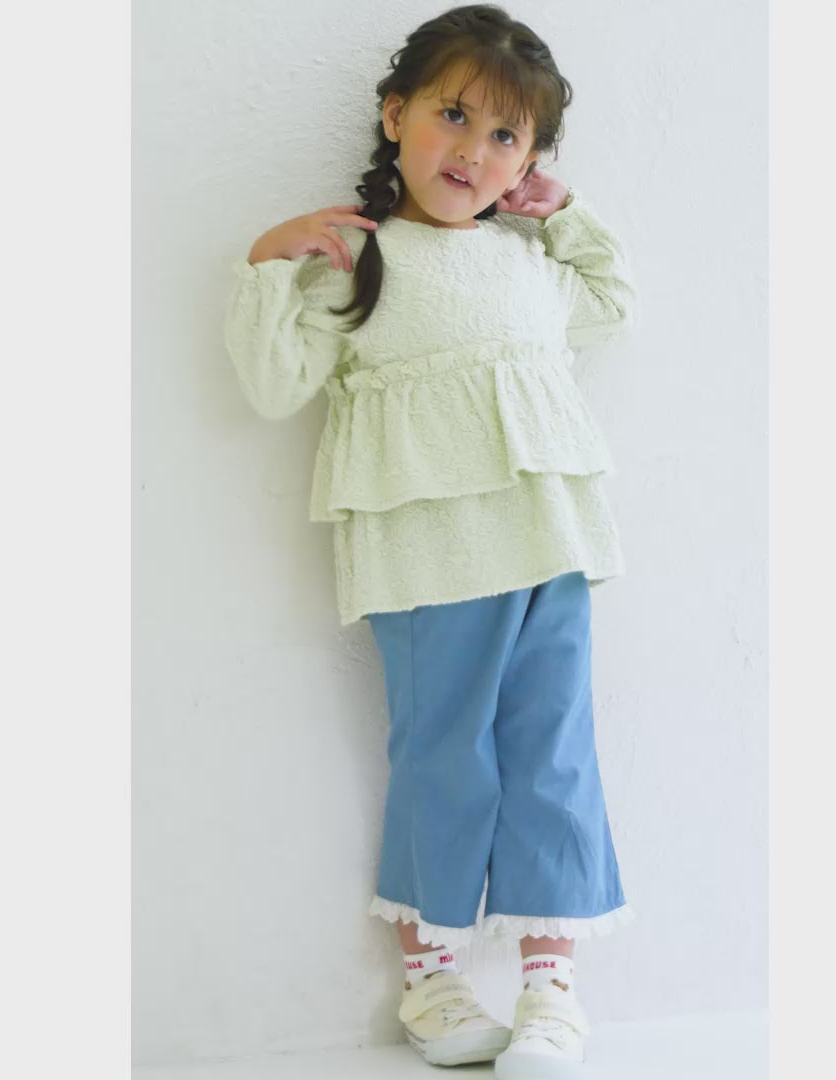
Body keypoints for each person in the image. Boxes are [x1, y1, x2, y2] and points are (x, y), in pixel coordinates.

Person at [222, 5, 639, 1076]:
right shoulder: (360, 261)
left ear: (529, 162)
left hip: (548, 542)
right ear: (395, 113)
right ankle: (434, 982)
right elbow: (274, 384)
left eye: (506, 136)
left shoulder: (527, 263)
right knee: (445, 758)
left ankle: (550, 987)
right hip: (426, 561)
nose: (473, 151)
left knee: (554, 755)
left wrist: (566, 213)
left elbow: (612, 302)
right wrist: (268, 263)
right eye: (453, 116)